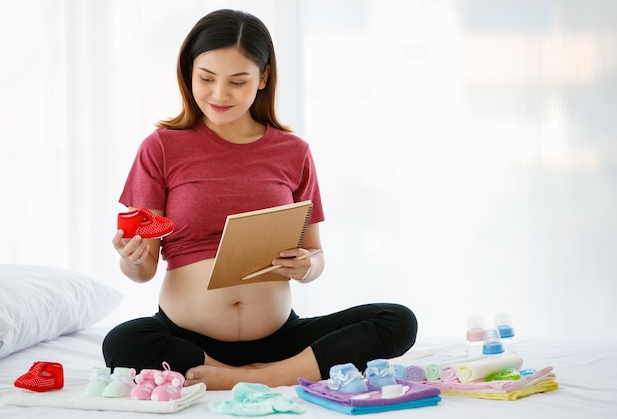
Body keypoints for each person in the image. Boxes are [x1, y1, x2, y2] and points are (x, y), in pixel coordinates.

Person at [103, 8, 418, 391]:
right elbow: (144, 269)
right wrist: (130, 260)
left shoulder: (293, 151)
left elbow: (315, 254)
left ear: (263, 77)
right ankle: (240, 372)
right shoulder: (161, 148)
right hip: (187, 337)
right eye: (206, 78)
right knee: (121, 342)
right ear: (189, 72)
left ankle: (258, 377)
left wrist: (306, 266)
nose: (219, 94)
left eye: (237, 81)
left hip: (281, 341)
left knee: (398, 320)